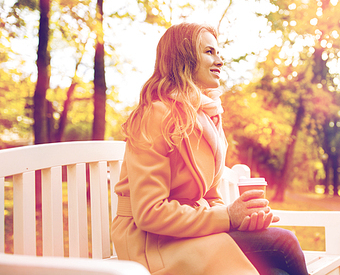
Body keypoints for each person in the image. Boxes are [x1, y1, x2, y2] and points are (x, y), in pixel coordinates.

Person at [111, 22, 308, 275]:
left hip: (187, 232)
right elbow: (149, 213)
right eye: (209, 52)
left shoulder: (204, 115)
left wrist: (241, 219)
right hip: (150, 242)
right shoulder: (156, 114)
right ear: (184, 58)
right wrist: (227, 217)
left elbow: (211, 195)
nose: (220, 60)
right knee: (284, 243)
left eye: (218, 52)